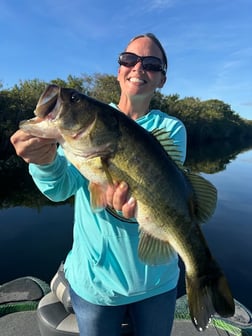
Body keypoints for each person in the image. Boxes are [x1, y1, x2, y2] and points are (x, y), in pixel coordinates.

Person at [11, 33, 187, 336]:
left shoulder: (169, 129)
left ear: (162, 80)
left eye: (151, 64)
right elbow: (60, 188)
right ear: (118, 70)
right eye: (129, 60)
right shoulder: (90, 123)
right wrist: (44, 162)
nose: (137, 68)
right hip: (96, 284)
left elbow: (165, 197)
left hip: (157, 282)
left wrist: (120, 203)